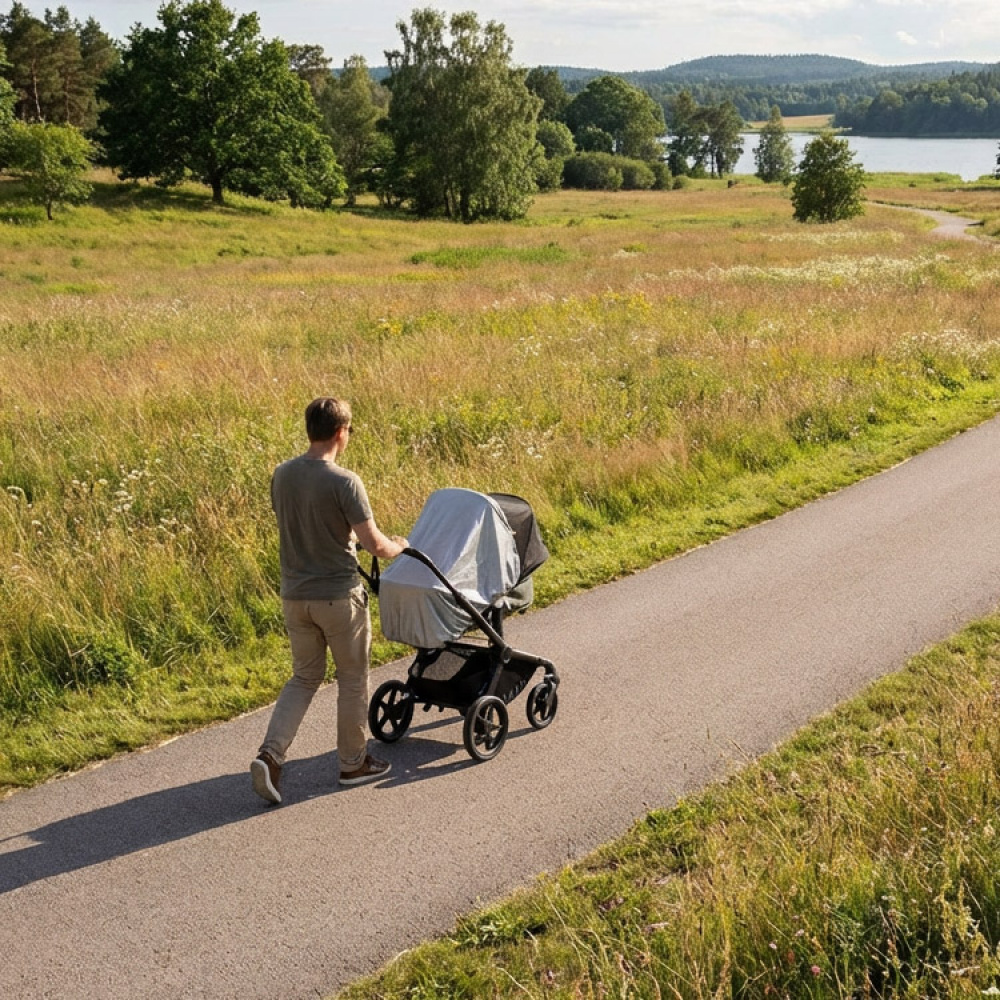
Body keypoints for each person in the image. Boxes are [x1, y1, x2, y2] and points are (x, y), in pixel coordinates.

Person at [251, 397, 408, 804]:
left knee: (304, 677)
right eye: (349, 430)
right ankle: (353, 763)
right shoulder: (344, 481)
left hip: (295, 597)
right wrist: (399, 547)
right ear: (341, 431)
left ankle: (271, 756)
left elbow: (302, 524)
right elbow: (374, 544)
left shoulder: (282, 475)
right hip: (338, 597)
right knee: (352, 678)